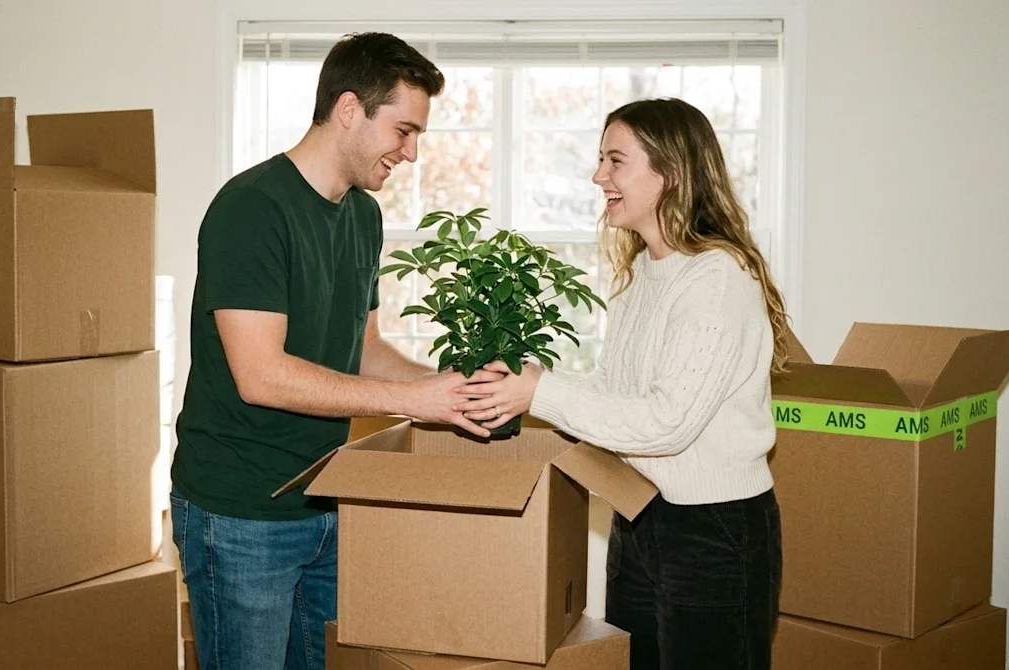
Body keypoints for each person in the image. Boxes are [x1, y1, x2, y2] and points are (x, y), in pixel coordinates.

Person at [169, 32, 502, 670]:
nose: (410, 153)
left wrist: (449, 386)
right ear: (349, 109)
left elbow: (363, 350)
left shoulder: (362, 217)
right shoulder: (252, 208)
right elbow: (261, 376)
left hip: (327, 500)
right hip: (241, 515)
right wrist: (414, 403)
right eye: (403, 131)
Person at [455, 98, 790, 669]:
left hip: (715, 530)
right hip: (638, 515)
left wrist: (539, 393)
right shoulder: (639, 276)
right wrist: (531, 382)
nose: (598, 176)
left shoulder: (717, 279)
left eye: (616, 161)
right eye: (600, 160)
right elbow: (616, 391)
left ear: (671, 174)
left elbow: (667, 422)